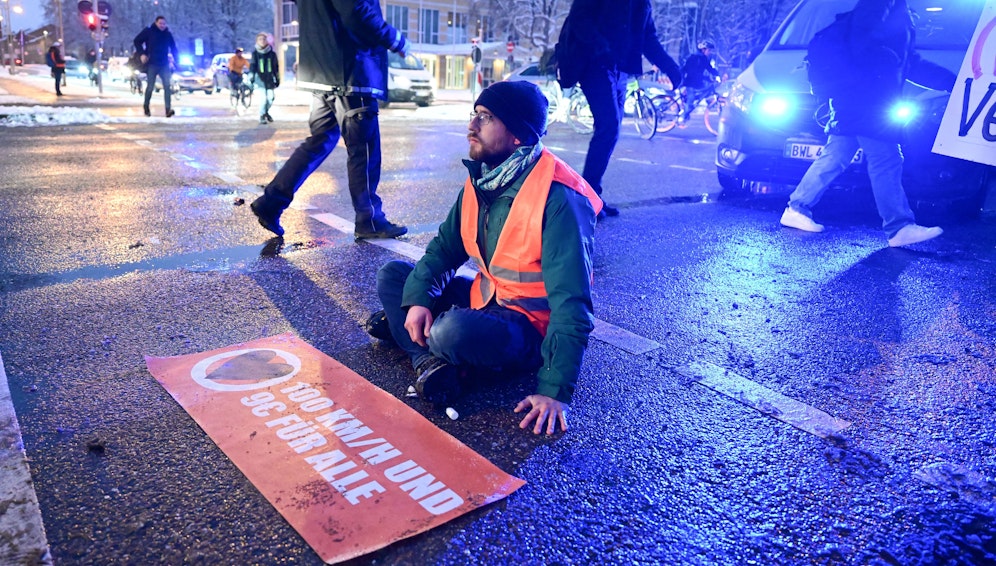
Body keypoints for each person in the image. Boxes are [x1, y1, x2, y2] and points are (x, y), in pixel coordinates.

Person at [369, 81, 603, 435]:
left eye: (486, 117)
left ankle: (420, 343)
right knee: (395, 276)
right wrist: (418, 301)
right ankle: (429, 363)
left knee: (451, 330)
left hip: (530, 329)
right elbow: (443, 251)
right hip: (487, 299)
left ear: (517, 136)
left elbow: (573, 304)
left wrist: (554, 391)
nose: (471, 126)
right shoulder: (483, 179)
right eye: (474, 114)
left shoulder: (559, 198)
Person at [779, 0, 951, 247]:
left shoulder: (893, 7)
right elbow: (865, 45)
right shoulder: (880, 4)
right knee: (887, 159)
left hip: (857, 100)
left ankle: (797, 208)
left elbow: (908, 63)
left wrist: (951, 81)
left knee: (836, 154)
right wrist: (885, 64)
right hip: (867, 102)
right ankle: (899, 226)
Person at [249, 0, 410, 239]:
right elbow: (356, 11)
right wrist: (394, 38)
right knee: (363, 150)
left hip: (320, 72)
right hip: (350, 71)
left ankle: (272, 202)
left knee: (319, 142)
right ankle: (370, 219)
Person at [557, 0, 681, 219]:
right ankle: (588, 199)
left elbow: (648, 39)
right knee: (609, 127)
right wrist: (600, 46)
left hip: (621, 71)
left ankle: (592, 195)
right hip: (595, 64)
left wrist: (670, 67)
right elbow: (579, 18)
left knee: (611, 131)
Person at [134, 16, 179, 117]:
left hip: (164, 63)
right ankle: (146, 106)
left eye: (164, 23)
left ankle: (168, 109)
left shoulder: (167, 34)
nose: (162, 25)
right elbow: (137, 41)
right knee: (150, 86)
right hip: (152, 63)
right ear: (156, 23)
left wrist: (177, 61)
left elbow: (173, 48)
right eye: (160, 23)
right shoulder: (149, 31)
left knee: (167, 86)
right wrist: (142, 53)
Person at [680, 40, 722, 123]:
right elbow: (693, 72)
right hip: (690, 82)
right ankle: (682, 117)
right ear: (703, 49)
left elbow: (709, 68)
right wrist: (707, 78)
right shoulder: (695, 58)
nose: (709, 52)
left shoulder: (703, 58)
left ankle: (687, 109)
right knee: (691, 101)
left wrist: (717, 74)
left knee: (702, 94)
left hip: (696, 82)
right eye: (708, 50)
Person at [248, 33, 280, 125]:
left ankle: (266, 112)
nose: (262, 41)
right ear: (257, 41)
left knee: (271, 98)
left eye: (264, 39)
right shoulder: (255, 54)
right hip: (260, 79)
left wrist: (277, 79)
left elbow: (275, 67)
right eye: (260, 39)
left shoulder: (272, 54)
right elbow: (253, 66)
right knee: (263, 98)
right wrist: (252, 76)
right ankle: (262, 115)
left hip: (269, 79)